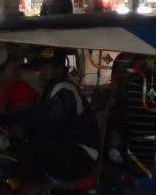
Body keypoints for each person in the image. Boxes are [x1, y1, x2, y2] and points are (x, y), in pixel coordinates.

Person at [15, 53, 99, 182]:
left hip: (79, 154)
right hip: (68, 149)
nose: (40, 73)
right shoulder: (51, 90)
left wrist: (25, 128)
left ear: (59, 70)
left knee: (28, 152)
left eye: (45, 69)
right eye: (39, 69)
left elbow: (52, 125)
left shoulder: (64, 89)